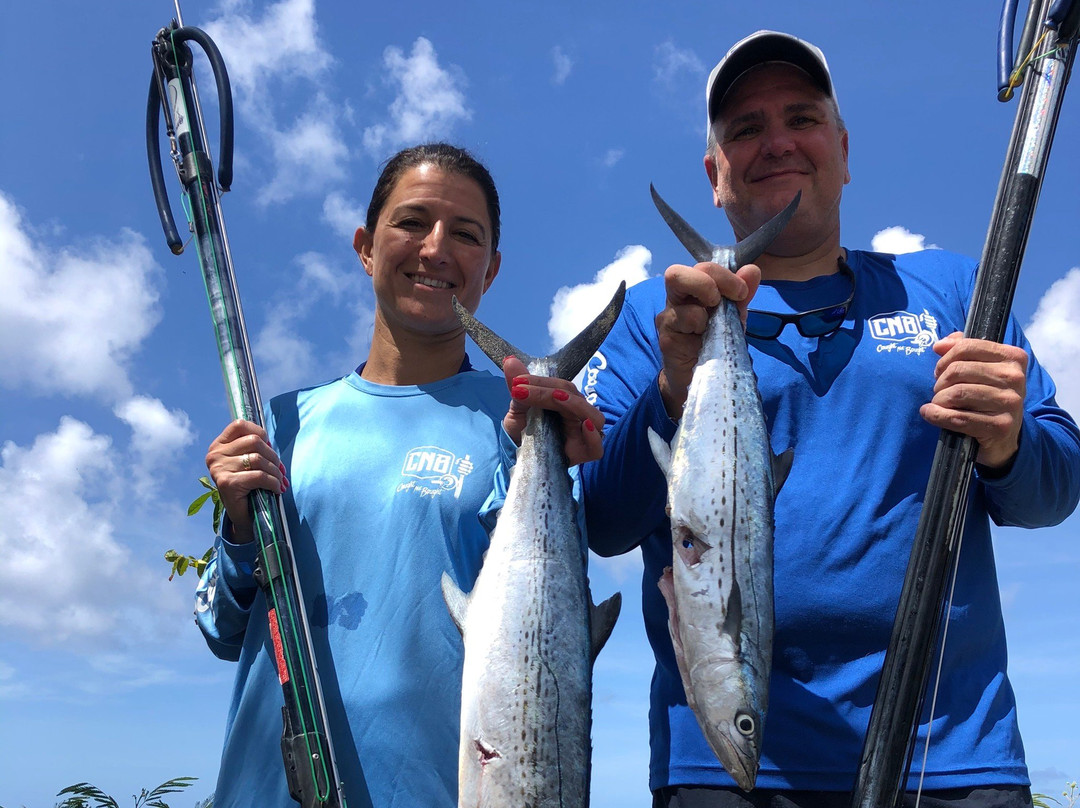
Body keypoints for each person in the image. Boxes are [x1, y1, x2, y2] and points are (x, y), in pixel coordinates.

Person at [581, 30, 1080, 808]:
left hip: (952, 759)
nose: (777, 142)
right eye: (745, 130)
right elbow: (602, 520)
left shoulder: (951, 289)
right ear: (714, 176)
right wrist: (673, 390)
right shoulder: (655, 314)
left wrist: (1011, 441)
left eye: (801, 119)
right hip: (725, 765)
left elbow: (1054, 491)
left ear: (843, 151)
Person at [194, 143, 604, 808]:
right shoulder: (284, 422)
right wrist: (239, 527)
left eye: (466, 234)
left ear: (491, 270)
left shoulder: (522, 425)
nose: (437, 248)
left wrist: (535, 452)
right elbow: (219, 628)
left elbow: (543, 637)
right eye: (412, 222)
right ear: (364, 245)